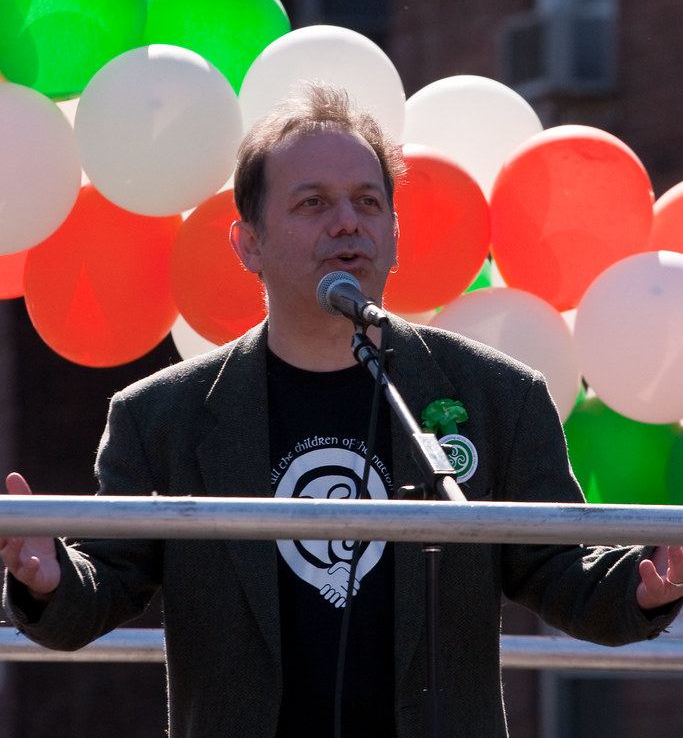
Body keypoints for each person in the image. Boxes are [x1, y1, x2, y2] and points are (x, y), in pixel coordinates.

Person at [2, 82, 683, 738]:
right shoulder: (163, 416)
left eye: (367, 202)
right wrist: (47, 577)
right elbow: (99, 591)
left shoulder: (496, 397)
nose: (347, 221)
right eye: (311, 203)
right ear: (248, 244)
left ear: (391, 233)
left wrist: (647, 586)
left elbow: (560, 574)